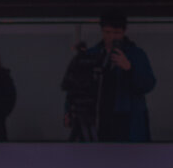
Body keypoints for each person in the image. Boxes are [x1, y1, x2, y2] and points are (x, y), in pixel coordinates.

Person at [60, 9, 155, 142]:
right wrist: (69, 111)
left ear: (124, 32)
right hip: (96, 117)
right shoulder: (92, 54)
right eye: (108, 32)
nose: (112, 37)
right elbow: (75, 86)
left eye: (117, 33)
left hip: (126, 117)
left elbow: (148, 84)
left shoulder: (136, 54)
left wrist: (129, 68)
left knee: (129, 158)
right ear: (102, 31)